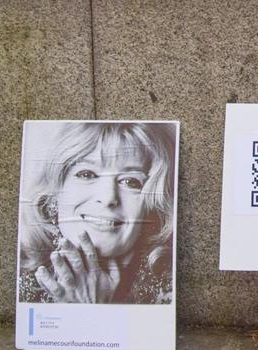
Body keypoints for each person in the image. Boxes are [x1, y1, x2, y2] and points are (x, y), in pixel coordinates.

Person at [17, 122, 177, 305]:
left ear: (153, 207)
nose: (108, 197)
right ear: (55, 193)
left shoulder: (168, 291)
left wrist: (88, 306)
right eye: (86, 174)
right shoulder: (21, 273)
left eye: (130, 182)